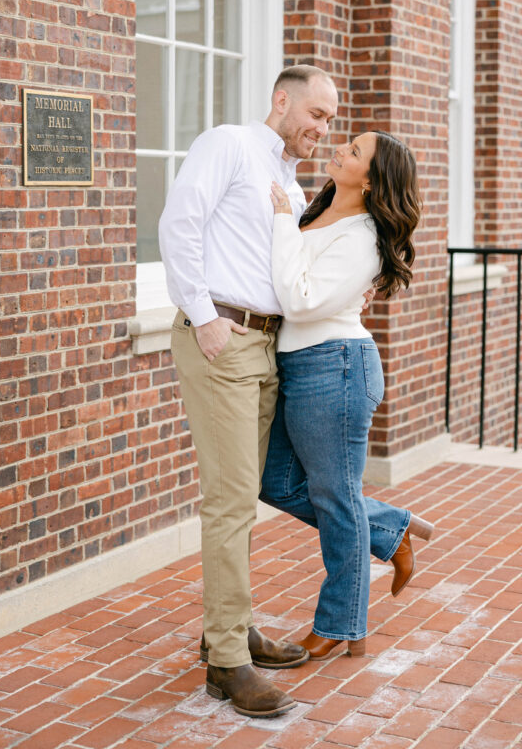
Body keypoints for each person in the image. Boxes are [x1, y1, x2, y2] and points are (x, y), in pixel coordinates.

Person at [159, 65, 339, 718]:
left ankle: (224, 629)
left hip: (267, 345)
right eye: (315, 114)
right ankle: (227, 661)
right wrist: (203, 316)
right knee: (231, 500)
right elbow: (179, 222)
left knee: (245, 494)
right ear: (281, 99)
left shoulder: (288, 183)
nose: (321, 128)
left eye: (328, 120)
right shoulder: (229, 143)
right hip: (224, 338)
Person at [260, 130, 433, 658]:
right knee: (275, 482)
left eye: (354, 153)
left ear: (372, 180)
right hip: (299, 365)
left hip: (334, 367)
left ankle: (339, 625)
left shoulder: (363, 236)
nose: (340, 149)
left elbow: (301, 298)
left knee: (335, 500)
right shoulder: (317, 211)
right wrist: (291, 221)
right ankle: (390, 527)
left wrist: (283, 222)